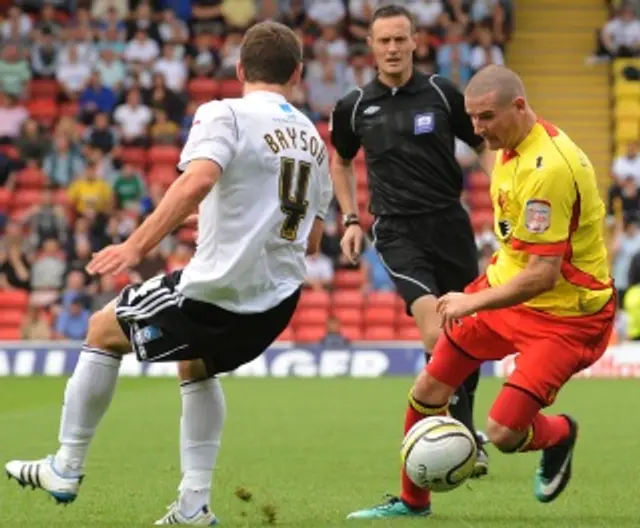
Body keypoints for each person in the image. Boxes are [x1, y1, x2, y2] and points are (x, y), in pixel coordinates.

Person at [5, 21, 333, 526]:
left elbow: (197, 181)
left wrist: (135, 245)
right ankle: (193, 505)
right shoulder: (312, 138)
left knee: (100, 330)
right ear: (298, 73)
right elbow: (309, 237)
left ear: (241, 68)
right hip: (277, 303)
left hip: (219, 291)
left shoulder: (224, 113)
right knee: (196, 366)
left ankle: (65, 466)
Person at [346, 64, 615, 519]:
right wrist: (481, 292)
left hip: (565, 316)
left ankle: (560, 433)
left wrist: (471, 300)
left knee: (504, 433)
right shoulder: (508, 148)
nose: (476, 129)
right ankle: (413, 504)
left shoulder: (548, 168)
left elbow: (543, 275)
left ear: (519, 106)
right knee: (429, 386)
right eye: (471, 118)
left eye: (486, 117)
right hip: (504, 292)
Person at [330, 3, 492, 485]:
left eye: (401, 39)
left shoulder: (442, 93)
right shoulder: (354, 105)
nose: (394, 48)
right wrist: (352, 219)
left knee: (465, 332)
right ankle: (456, 433)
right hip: (397, 230)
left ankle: (459, 429)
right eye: (385, 41)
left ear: (415, 42)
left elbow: (483, 144)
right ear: (372, 47)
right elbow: (339, 160)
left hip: (450, 224)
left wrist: (504, 196)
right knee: (433, 326)